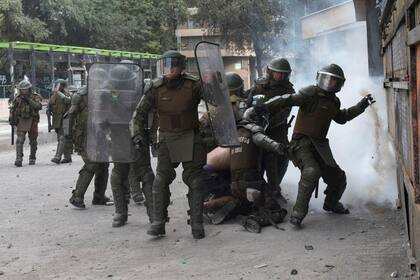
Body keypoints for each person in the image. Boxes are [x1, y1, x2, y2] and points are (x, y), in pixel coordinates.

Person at [272, 64, 375, 226]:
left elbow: (342, 118)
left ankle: (331, 204)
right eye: (327, 79)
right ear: (320, 78)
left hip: (320, 146)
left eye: (334, 80)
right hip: (300, 143)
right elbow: (288, 100)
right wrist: (262, 108)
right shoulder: (310, 93)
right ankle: (298, 214)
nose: (330, 83)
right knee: (311, 171)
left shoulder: (334, 101)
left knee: (338, 178)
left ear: (339, 84)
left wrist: (360, 107)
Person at [131, 50, 208, 239]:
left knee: (196, 181)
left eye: (173, 64)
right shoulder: (155, 88)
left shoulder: (194, 85)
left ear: (181, 67)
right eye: (166, 64)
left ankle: (197, 224)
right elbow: (138, 114)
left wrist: (207, 117)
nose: (169, 68)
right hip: (166, 138)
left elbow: (216, 104)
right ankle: (158, 222)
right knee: (160, 181)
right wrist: (136, 135)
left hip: (191, 136)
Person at [247, 58, 295, 205]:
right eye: (277, 73)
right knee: (256, 161)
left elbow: (285, 113)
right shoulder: (258, 86)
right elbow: (247, 104)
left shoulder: (288, 90)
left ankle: (274, 189)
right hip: (256, 128)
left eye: (283, 74)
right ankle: (259, 190)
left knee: (282, 158)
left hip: (278, 130)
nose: (279, 76)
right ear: (270, 72)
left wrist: (268, 122)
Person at [67, 86, 111, 209]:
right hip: (84, 137)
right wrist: (67, 139)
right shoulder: (81, 95)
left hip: (101, 136)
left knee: (103, 164)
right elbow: (69, 117)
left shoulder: (106, 93)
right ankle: (77, 196)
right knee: (91, 163)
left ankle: (99, 196)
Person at [9, 80, 42, 167]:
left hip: (32, 120)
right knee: (19, 140)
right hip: (21, 120)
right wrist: (11, 118)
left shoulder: (35, 96)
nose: (23, 91)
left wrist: (28, 100)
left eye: (25, 89)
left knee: (33, 141)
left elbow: (38, 106)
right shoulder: (18, 97)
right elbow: (13, 108)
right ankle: (19, 159)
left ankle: (32, 157)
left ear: (29, 89)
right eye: (22, 89)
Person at [49, 79, 72, 164]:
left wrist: (58, 92)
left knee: (62, 138)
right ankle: (67, 157)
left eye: (58, 85)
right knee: (61, 138)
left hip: (66, 119)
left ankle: (57, 157)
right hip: (57, 119)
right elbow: (50, 106)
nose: (57, 87)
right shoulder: (54, 95)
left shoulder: (67, 94)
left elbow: (68, 101)